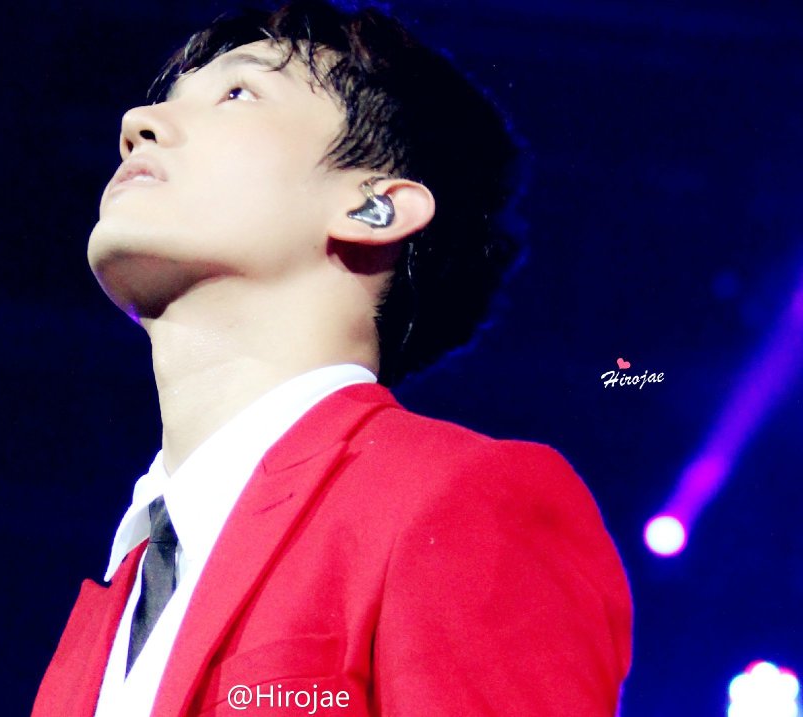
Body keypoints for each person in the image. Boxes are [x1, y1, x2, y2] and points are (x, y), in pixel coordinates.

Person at [32, 1, 633, 715]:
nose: (139, 122)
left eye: (237, 93)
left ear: (374, 208)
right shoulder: (116, 597)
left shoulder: (459, 499)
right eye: (164, 99)